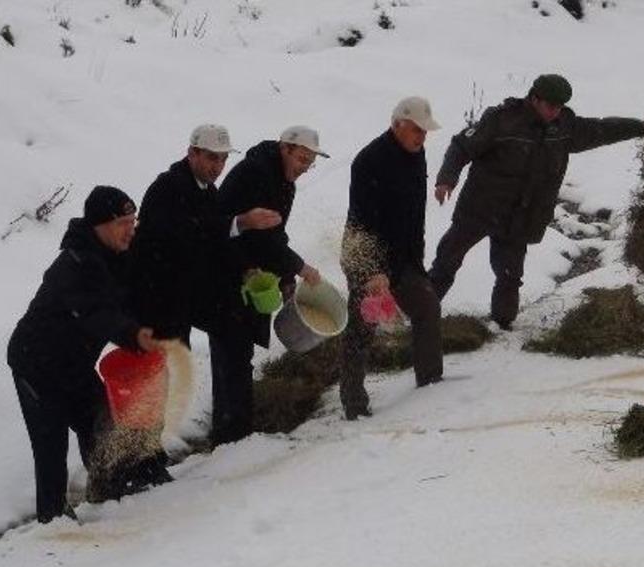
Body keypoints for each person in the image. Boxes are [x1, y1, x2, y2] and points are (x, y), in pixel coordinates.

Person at [429, 73, 644, 328]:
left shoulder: (564, 126)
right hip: (479, 209)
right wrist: (446, 179)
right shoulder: (500, 119)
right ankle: (419, 315)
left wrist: (641, 127)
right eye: (551, 106)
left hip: (519, 217)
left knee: (510, 276)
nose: (555, 112)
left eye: (560, 106)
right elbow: (461, 147)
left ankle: (502, 325)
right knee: (446, 263)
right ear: (534, 99)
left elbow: (602, 129)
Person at [7, 186, 165, 523]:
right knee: (50, 446)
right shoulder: (75, 263)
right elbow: (95, 312)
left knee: (101, 424)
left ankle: (108, 495)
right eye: (123, 222)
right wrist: (132, 334)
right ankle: (52, 521)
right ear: (99, 225)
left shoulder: (118, 255)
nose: (130, 229)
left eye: (133, 221)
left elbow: (135, 294)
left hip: (74, 363)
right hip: (35, 363)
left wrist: (148, 323)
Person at [131, 124, 281, 453]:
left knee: (236, 331)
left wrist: (245, 269)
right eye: (212, 157)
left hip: (190, 292)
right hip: (158, 295)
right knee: (161, 375)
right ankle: (143, 460)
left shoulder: (208, 192)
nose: (218, 166)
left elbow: (216, 242)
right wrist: (240, 222)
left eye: (223, 159)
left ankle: (234, 433)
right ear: (192, 153)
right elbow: (182, 235)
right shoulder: (167, 187)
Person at [213, 125, 327, 444]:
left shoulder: (283, 183)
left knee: (238, 354)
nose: (305, 167)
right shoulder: (256, 173)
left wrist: (287, 277)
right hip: (226, 273)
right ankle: (232, 438)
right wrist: (300, 268)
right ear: (284, 148)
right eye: (301, 158)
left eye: (310, 162)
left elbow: (275, 235)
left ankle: (233, 434)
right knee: (231, 354)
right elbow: (260, 238)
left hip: (252, 275)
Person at [339, 97, 444, 419]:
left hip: (403, 258)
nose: (421, 138)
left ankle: (431, 385)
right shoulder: (369, 161)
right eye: (416, 131)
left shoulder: (417, 153)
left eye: (425, 132)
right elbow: (364, 220)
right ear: (397, 124)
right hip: (364, 255)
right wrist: (374, 272)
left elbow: (413, 215)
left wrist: (415, 260)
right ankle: (354, 405)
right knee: (363, 325)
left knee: (427, 306)